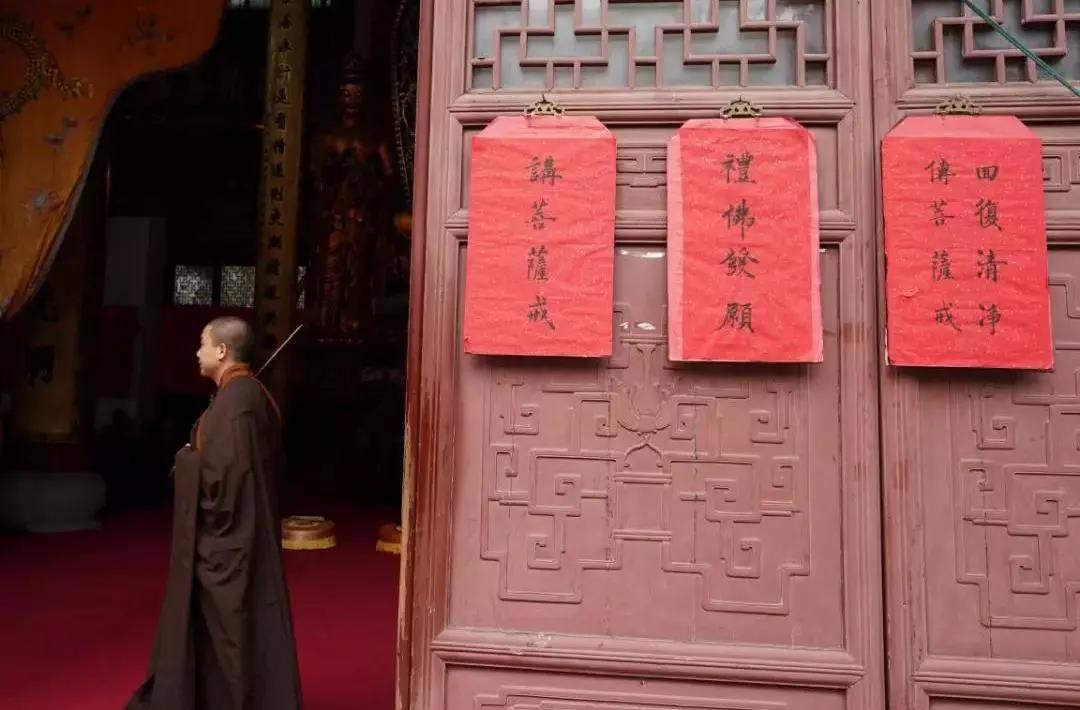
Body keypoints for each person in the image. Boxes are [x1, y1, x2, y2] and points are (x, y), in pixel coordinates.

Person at [128, 317, 301, 710]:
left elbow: (228, 479)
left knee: (231, 627)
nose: (197, 352)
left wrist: (185, 462)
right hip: (244, 534)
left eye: (202, 344)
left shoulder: (237, 402)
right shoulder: (244, 396)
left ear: (222, 351)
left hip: (229, 541)